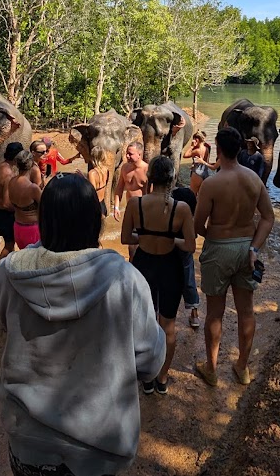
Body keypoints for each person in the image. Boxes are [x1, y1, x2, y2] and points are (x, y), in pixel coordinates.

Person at [0, 173, 165, 475]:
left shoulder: (9, 274)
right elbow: (150, 363)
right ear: (96, 220)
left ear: (42, 220)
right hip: (101, 448)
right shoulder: (125, 279)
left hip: (29, 443)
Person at [193, 127, 275, 387]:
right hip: (246, 250)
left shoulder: (212, 183)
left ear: (218, 148)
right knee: (246, 310)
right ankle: (242, 367)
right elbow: (268, 217)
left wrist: (212, 236)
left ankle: (212, 368)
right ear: (240, 148)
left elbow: (197, 224)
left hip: (219, 247)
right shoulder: (253, 179)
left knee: (214, 313)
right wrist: (254, 248)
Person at [121, 157, 196, 394]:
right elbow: (190, 245)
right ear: (172, 178)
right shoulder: (180, 208)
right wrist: (170, 239)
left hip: (144, 265)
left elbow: (126, 238)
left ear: (150, 178)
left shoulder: (136, 205)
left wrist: (145, 237)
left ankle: (147, 379)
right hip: (170, 267)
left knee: (145, 324)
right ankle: (162, 378)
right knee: (168, 325)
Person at [171, 187, 202, 329]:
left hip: (171, 253)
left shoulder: (171, 218)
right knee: (189, 282)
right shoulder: (190, 220)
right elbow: (193, 239)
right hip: (184, 255)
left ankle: (166, 315)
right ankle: (194, 314)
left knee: (170, 282)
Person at [0, 142, 24, 261]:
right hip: (4, 213)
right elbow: (6, 203)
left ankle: (5, 269)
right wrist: (22, 210)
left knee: (10, 243)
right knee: (9, 245)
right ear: (17, 157)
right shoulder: (8, 173)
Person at [7, 151, 42, 249]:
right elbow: (45, 207)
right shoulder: (33, 188)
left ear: (17, 164)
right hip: (33, 230)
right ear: (32, 165)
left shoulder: (11, 182)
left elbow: (10, 203)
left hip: (17, 227)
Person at [112, 142, 147, 222]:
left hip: (143, 210)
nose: (127, 156)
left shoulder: (147, 170)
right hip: (130, 208)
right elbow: (119, 189)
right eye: (126, 153)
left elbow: (152, 194)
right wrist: (116, 207)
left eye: (130, 154)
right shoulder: (125, 168)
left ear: (139, 154)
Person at [182, 131, 214, 195]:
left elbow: (185, 155)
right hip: (205, 172)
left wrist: (191, 146)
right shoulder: (207, 149)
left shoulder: (196, 151)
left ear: (197, 140)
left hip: (197, 173)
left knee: (192, 194)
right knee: (201, 195)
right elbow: (206, 161)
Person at [84, 147, 112, 218]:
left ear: (92, 158)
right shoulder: (106, 170)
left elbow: (92, 193)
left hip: (95, 207)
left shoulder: (92, 173)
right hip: (103, 206)